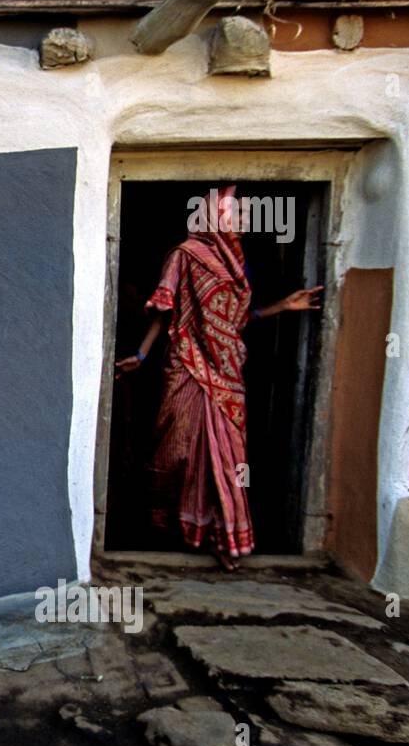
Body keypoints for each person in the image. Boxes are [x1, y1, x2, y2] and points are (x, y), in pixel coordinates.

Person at [115, 186, 322, 571]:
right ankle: (177, 533)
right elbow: (165, 311)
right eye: (236, 214)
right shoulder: (185, 254)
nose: (244, 220)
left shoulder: (236, 263)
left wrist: (283, 306)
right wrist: (141, 355)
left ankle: (225, 536)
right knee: (177, 451)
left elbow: (236, 321)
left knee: (227, 457)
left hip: (227, 374)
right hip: (188, 367)